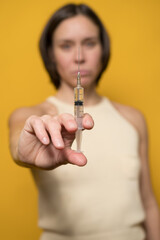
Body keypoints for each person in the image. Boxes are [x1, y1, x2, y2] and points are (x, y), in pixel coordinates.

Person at [9, 3, 160, 240]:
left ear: (103, 49)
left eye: (90, 43)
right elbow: (19, 142)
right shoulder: (33, 115)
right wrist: (23, 149)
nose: (80, 57)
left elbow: (148, 202)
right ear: (50, 53)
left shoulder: (132, 119)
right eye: (66, 45)